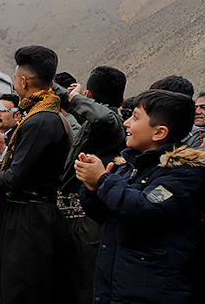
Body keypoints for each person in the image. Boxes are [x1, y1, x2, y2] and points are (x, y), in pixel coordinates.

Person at [76, 89, 205, 304]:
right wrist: (92, 187)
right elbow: (107, 214)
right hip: (119, 281)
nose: (126, 123)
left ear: (159, 132)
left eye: (135, 117)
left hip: (154, 287)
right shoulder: (131, 165)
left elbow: (147, 208)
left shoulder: (183, 171)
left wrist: (103, 181)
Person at [0, 45, 71, 304]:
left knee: (22, 288)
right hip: (23, 212)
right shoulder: (41, 115)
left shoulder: (40, 120)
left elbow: (15, 177)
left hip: (29, 219)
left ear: (23, 81)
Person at [52, 65, 127, 304]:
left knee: (86, 288)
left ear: (90, 97)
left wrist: (72, 97)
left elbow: (103, 117)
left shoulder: (111, 122)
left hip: (87, 220)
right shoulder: (90, 123)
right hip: (67, 219)